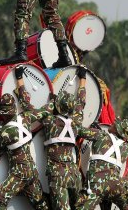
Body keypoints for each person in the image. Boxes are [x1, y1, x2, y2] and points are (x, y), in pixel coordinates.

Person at [0, 65, 52, 210]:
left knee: (0, 198)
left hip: (19, 173)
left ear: (2, 112)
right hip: (32, 171)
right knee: (40, 204)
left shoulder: (3, 132)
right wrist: (52, 103)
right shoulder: (25, 118)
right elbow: (43, 112)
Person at [38, 65, 92, 210]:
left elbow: (37, 112)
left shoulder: (49, 121)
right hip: (73, 174)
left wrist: (51, 103)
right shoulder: (76, 122)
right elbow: (81, 102)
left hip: (57, 175)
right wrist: (83, 79)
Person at [77, 118, 128, 210]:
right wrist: (121, 183)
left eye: (115, 124)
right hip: (115, 186)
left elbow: (78, 130)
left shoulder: (100, 134)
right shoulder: (127, 148)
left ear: (118, 130)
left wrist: (91, 128)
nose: (112, 123)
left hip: (96, 185)